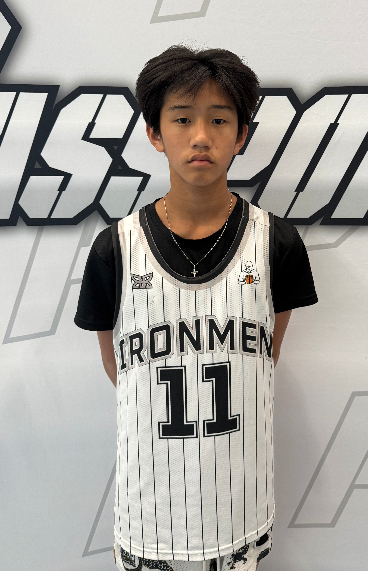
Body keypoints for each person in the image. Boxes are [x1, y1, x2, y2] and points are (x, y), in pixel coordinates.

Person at [74, 45, 318, 571]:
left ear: (242, 134)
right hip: (147, 515)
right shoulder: (115, 248)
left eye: (219, 119)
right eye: (182, 119)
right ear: (155, 133)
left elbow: (265, 356)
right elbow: (119, 367)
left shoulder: (277, 243)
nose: (201, 136)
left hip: (240, 512)